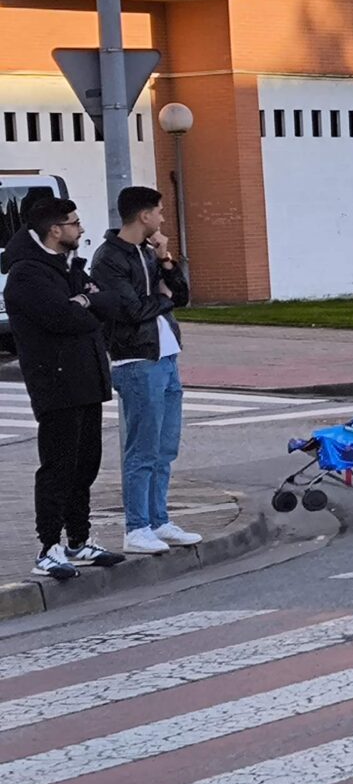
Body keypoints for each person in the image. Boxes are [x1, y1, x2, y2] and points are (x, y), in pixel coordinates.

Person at [3, 198, 123, 581]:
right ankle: (48, 547)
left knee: (85, 465)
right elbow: (63, 318)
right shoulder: (27, 274)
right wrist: (87, 307)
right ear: (55, 230)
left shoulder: (68, 266)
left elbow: (110, 302)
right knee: (58, 466)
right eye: (74, 223)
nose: (81, 229)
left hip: (87, 378)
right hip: (56, 382)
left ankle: (79, 540)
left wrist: (85, 300)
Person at [89, 186, 197, 555]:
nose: (163, 218)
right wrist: (162, 299)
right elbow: (130, 310)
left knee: (165, 448)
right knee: (143, 450)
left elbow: (181, 296)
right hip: (136, 360)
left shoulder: (149, 252)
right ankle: (137, 527)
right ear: (144, 215)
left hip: (166, 357)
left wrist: (166, 260)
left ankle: (159, 519)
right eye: (160, 212)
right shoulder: (109, 258)